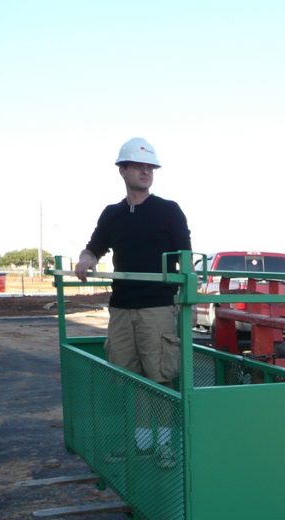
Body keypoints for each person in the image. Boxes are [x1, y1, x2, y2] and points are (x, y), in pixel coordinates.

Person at [76, 137, 191, 459]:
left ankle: (166, 444)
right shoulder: (112, 214)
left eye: (150, 167)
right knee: (130, 378)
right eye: (138, 166)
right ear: (122, 170)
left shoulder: (168, 211)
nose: (145, 172)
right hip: (122, 309)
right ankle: (141, 445)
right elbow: (94, 246)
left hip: (157, 307)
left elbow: (185, 254)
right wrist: (87, 258)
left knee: (160, 376)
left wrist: (189, 296)